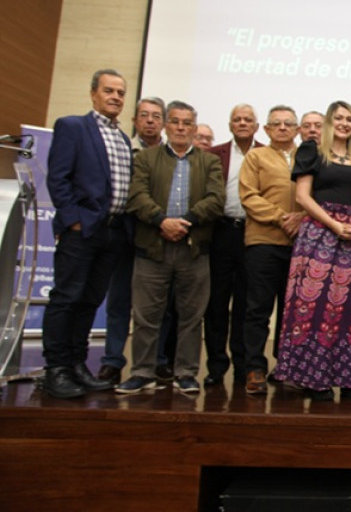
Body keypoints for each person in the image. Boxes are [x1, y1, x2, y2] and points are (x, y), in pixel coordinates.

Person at [272, 100, 351, 400]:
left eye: (350, 119)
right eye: (340, 118)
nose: (345, 123)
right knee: (314, 309)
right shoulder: (312, 152)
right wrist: (334, 225)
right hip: (318, 236)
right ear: (330, 122)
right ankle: (313, 379)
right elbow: (303, 197)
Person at [116, 101, 225, 394]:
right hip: (153, 247)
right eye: (175, 121)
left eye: (187, 122)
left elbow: (216, 200)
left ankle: (186, 373)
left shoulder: (209, 161)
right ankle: (142, 372)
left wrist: (185, 222)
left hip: (193, 249)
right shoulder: (146, 158)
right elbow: (136, 196)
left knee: (191, 317)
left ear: (193, 127)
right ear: (166, 125)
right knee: (146, 316)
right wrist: (162, 221)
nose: (180, 127)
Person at [43, 69, 134, 398]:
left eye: (121, 93)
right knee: (66, 298)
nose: (115, 97)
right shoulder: (73, 127)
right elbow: (58, 178)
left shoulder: (123, 138)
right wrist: (73, 220)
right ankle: (56, 369)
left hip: (113, 233)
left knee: (90, 301)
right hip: (82, 231)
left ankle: (77, 364)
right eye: (109, 91)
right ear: (94, 93)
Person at [97, 96, 166, 385]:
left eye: (156, 116)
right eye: (144, 115)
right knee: (119, 301)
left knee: (159, 305)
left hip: (161, 238)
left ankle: (158, 361)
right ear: (135, 120)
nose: (150, 120)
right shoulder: (123, 148)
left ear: (163, 122)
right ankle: (112, 361)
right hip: (124, 235)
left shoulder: (174, 154)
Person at [241, 106, 304, 394]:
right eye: (275, 124)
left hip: (301, 245)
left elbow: (317, 197)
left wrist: (301, 217)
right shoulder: (256, 156)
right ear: (266, 129)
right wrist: (282, 217)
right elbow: (248, 196)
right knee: (258, 309)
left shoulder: (308, 157)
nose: (282, 128)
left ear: (298, 129)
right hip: (264, 243)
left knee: (291, 313)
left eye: (288, 124)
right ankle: (254, 368)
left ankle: (286, 367)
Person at [203, 104, 263, 386]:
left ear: (256, 125)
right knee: (216, 303)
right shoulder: (214, 155)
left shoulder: (265, 154)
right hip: (222, 232)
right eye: (237, 119)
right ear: (230, 125)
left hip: (253, 233)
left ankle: (243, 365)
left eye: (247, 119)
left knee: (245, 303)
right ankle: (216, 366)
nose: (242, 123)